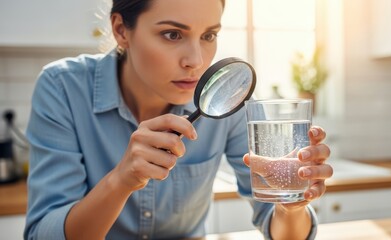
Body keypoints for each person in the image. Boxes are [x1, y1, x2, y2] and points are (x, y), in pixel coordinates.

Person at [24, 0, 333, 239]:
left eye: (209, 35)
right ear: (121, 30)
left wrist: (291, 206)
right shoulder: (62, 87)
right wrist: (121, 181)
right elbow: (42, 234)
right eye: (172, 34)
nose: (196, 61)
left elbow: (279, 229)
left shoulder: (229, 103)